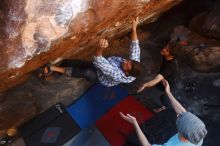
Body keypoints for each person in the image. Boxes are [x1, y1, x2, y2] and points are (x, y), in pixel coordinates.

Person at [42, 17, 144, 87]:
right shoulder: (134, 64)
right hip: (105, 64)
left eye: (126, 65)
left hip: (100, 77)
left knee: (87, 72)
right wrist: (134, 28)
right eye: (128, 61)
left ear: (126, 72)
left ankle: (52, 68)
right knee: (72, 63)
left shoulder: (116, 74)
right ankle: (56, 74)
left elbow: (98, 60)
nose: (125, 61)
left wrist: (100, 47)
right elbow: (135, 45)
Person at [120, 79, 207, 146]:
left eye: (180, 117)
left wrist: (135, 123)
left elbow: (147, 145)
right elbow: (183, 112)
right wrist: (168, 92)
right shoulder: (198, 135)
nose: (180, 114)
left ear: (181, 130)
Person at [137, 43, 178, 112]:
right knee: (163, 97)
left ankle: (162, 107)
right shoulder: (168, 57)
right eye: (165, 47)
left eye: (167, 50)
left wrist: (145, 85)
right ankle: (164, 102)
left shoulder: (169, 67)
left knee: (152, 96)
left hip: (164, 86)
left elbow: (156, 80)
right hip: (165, 81)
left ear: (172, 55)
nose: (163, 49)